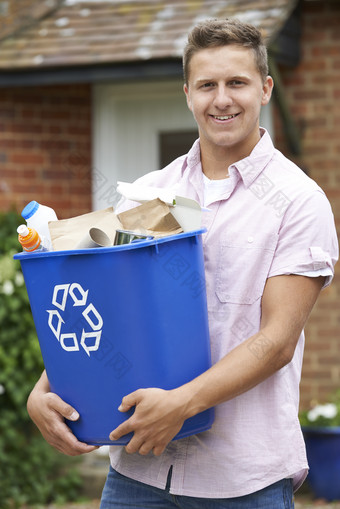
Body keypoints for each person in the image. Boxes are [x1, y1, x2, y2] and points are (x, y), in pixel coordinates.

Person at [27, 18, 338, 508]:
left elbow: (276, 341)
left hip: (241, 480)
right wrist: (44, 388)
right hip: (138, 472)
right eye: (207, 85)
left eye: (237, 82)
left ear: (265, 89)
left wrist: (181, 404)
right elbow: (102, 304)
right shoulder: (150, 193)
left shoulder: (298, 201)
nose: (222, 99)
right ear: (187, 93)